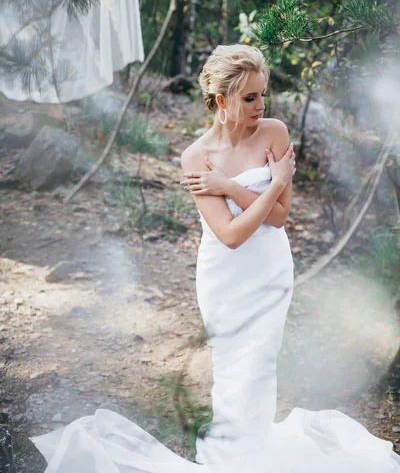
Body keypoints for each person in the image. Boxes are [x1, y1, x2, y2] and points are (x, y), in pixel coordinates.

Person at [31, 44, 400, 472]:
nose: (261, 106)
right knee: (232, 373)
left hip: (272, 272)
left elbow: (279, 218)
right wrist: (261, 182)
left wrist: (229, 186)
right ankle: (235, 456)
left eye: (263, 95)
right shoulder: (196, 156)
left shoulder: (275, 133)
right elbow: (229, 234)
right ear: (221, 100)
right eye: (249, 98)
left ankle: (252, 454)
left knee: (259, 368)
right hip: (225, 277)